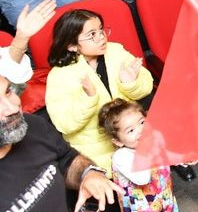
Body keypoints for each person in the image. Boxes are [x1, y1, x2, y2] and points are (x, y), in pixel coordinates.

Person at [0, 70, 125, 211]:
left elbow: (66, 159)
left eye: (8, 91)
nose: (13, 108)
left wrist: (88, 173)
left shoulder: (31, 124)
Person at [45, 8, 154, 168]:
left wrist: (130, 84)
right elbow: (64, 124)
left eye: (101, 30)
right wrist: (88, 99)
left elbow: (147, 87)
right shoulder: (59, 75)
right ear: (72, 46)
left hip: (135, 140)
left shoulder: (115, 50)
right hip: (96, 154)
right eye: (92, 35)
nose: (102, 37)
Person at [99, 99, 177, 211]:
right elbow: (142, 179)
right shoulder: (122, 157)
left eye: (142, 122)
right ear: (118, 141)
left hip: (165, 199)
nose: (141, 130)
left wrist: (182, 160)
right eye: (131, 130)